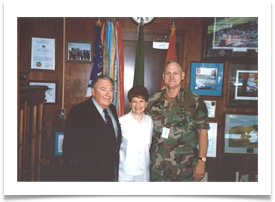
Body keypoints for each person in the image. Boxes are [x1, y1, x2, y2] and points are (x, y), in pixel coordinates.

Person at [146, 60, 209, 182]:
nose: (171, 77)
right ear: (163, 76)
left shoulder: (195, 101)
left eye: (175, 73)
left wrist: (202, 161)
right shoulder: (152, 100)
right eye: (168, 73)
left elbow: (203, 132)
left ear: (183, 76)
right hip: (157, 168)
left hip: (185, 169)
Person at [63, 75, 122, 181]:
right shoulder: (78, 112)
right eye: (103, 90)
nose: (108, 94)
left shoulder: (112, 109)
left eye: (111, 90)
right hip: (88, 176)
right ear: (93, 91)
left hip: (110, 174)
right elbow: (71, 150)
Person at [118, 85, 153, 182]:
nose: (138, 105)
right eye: (134, 101)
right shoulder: (121, 122)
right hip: (125, 173)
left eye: (141, 101)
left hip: (144, 172)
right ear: (130, 104)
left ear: (146, 104)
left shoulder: (150, 121)